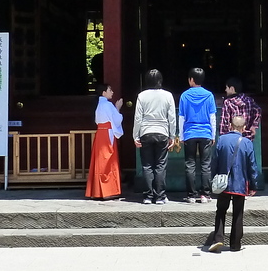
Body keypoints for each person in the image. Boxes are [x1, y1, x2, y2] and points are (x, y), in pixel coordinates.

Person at [205, 114, 258, 253]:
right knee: (238, 213)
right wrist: (254, 185)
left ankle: (218, 239)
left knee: (221, 211)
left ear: (230, 126)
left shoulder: (222, 140)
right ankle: (235, 244)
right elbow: (252, 166)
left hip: (223, 183)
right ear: (244, 128)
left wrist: (213, 179)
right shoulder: (247, 143)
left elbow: (214, 162)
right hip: (240, 184)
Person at [133, 69, 176, 205]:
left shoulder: (142, 96)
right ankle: (160, 196)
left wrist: (135, 135)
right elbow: (172, 118)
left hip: (146, 131)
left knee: (147, 165)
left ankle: (148, 196)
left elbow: (138, 118)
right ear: (160, 80)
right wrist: (172, 135)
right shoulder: (168, 95)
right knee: (160, 165)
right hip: (162, 131)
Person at [178, 67, 217, 204]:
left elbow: (181, 117)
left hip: (189, 133)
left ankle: (191, 195)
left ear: (191, 80)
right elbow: (212, 117)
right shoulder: (209, 95)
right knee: (206, 164)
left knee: (190, 164)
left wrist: (181, 135)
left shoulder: (184, 95)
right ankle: (205, 194)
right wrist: (213, 135)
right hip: (205, 132)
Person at [85, 84, 123, 200]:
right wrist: (118, 108)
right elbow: (117, 119)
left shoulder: (99, 105)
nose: (112, 92)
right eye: (109, 90)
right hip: (107, 134)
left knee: (99, 162)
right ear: (103, 93)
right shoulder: (108, 105)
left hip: (100, 133)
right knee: (108, 161)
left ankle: (97, 191)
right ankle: (108, 190)